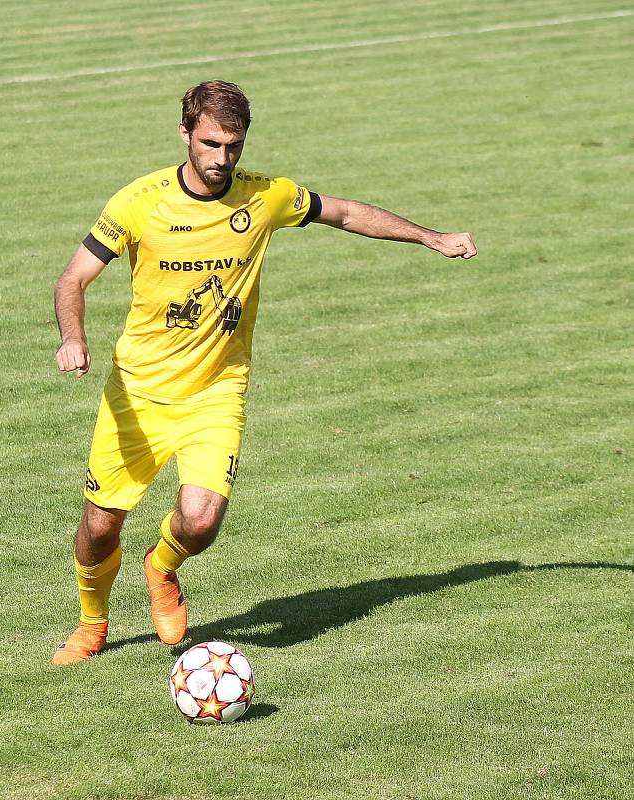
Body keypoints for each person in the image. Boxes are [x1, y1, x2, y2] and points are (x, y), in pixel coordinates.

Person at [51, 80, 476, 665]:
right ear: (185, 135)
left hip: (216, 390)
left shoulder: (265, 197)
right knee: (100, 527)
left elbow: (345, 213)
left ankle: (161, 567)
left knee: (200, 522)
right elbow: (72, 278)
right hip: (138, 394)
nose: (222, 159)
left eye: (234, 145)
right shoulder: (138, 202)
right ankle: (92, 622)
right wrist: (73, 337)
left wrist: (429, 236)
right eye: (210, 143)